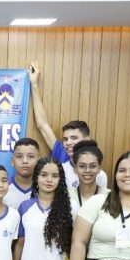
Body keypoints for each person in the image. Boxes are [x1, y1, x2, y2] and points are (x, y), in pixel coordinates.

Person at [26, 62, 109, 190]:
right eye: (65, 139)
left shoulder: (96, 168)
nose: (68, 143)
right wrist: (34, 84)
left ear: (87, 140)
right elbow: (42, 124)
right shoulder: (62, 153)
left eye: (74, 138)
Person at [14, 157, 73, 260]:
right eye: (44, 174)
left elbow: (76, 245)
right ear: (36, 177)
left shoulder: (70, 208)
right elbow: (20, 243)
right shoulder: (25, 206)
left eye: (55, 176)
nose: (49, 180)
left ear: (60, 179)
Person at [69, 140, 108, 212]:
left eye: (92, 166)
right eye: (82, 166)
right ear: (75, 169)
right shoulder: (67, 196)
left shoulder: (109, 197)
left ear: (99, 168)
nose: (87, 170)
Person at [5, 137, 40, 210]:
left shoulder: (45, 188)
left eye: (30, 156)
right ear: (12, 161)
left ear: (38, 161)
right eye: (19, 156)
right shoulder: (3, 188)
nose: (25, 161)